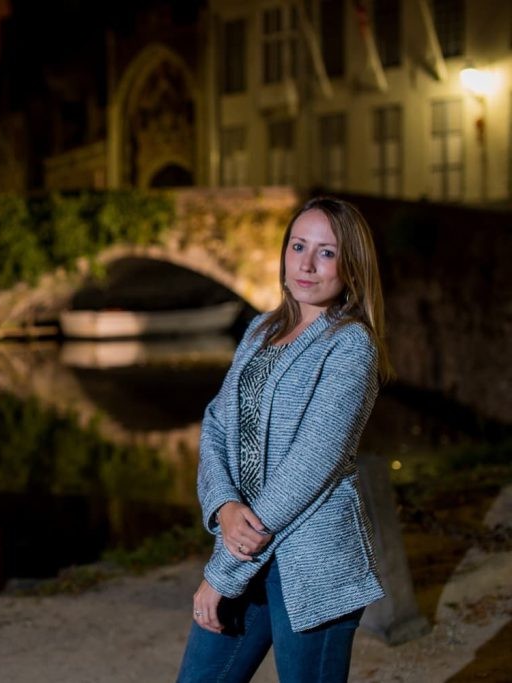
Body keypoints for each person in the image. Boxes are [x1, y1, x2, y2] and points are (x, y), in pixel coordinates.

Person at [177, 196, 394, 682]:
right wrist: (223, 506)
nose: (308, 264)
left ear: (351, 266)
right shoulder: (259, 330)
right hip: (244, 544)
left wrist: (224, 569)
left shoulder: (351, 345)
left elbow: (312, 462)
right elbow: (216, 423)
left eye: (327, 252)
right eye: (298, 246)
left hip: (311, 558)